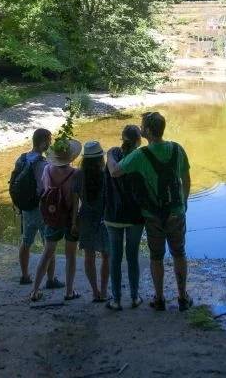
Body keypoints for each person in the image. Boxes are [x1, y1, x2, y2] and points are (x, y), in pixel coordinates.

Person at [107, 111, 193, 311]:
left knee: (156, 256)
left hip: (153, 216)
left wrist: (110, 155)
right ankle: (182, 296)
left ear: (146, 131)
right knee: (179, 253)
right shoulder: (177, 149)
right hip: (176, 212)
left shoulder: (140, 155)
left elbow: (115, 171)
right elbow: (186, 180)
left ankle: (159, 298)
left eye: (142, 126)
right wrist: (184, 203)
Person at [29, 137, 82, 302]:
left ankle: (34, 290)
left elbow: (46, 192)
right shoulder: (75, 174)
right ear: (70, 157)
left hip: (52, 216)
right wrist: (74, 222)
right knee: (70, 256)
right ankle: (69, 291)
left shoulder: (47, 170)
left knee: (47, 253)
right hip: (70, 218)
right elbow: (75, 202)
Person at [103, 125, 145, 311]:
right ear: (139, 140)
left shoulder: (112, 154)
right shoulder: (142, 156)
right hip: (135, 215)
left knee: (115, 258)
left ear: (122, 137)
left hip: (113, 214)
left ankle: (116, 300)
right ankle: (135, 297)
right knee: (132, 257)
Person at [14, 128, 61, 288]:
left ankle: (25, 276)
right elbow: (46, 189)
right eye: (49, 141)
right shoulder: (43, 164)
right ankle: (50, 279)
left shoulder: (21, 159)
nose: (50, 143)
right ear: (43, 143)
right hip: (41, 209)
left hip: (26, 208)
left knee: (26, 241)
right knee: (49, 243)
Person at [76, 141, 110, 302]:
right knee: (106, 256)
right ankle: (104, 291)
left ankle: (95, 291)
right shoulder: (105, 175)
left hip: (85, 218)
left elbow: (74, 200)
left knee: (88, 256)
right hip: (104, 219)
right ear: (100, 159)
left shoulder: (78, 175)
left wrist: (72, 222)